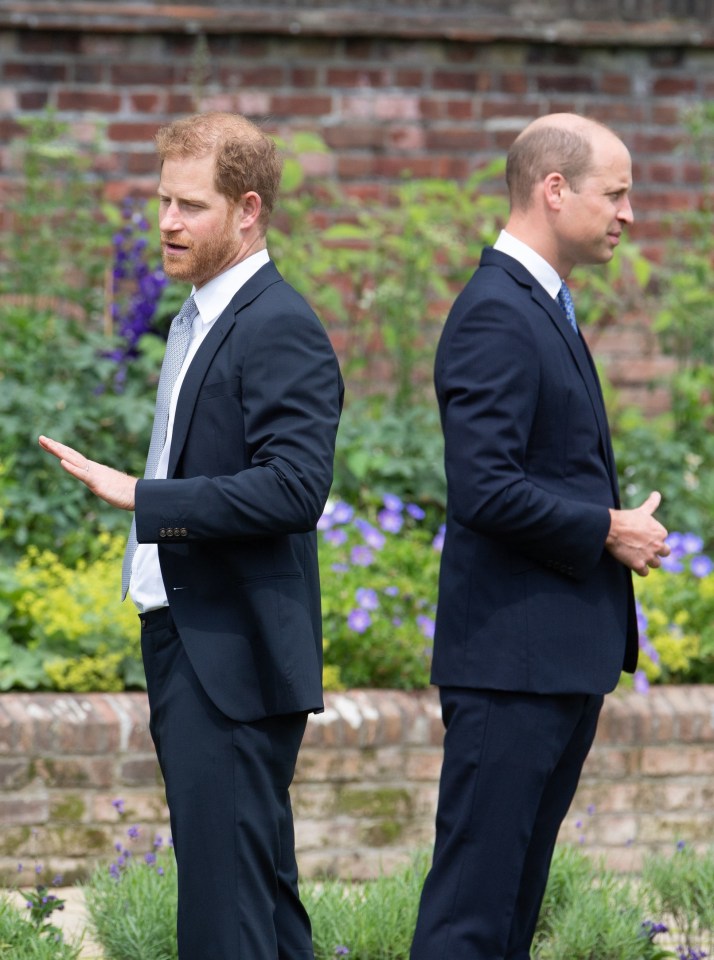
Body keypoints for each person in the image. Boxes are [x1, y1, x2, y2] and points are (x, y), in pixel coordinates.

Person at [40, 111, 343, 960]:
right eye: (163, 202)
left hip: (231, 659)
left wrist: (145, 497)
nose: (167, 223)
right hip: (192, 642)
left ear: (248, 210)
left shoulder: (277, 322)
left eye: (191, 207)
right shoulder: (201, 317)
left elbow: (294, 488)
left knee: (224, 918)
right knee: (258, 907)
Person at [409, 113, 670, 960]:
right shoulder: (495, 312)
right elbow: (484, 489)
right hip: (509, 671)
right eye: (617, 193)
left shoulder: (540, 306)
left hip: (550, 665)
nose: (629, 213)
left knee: (510, 916)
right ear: (554, 191)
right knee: (471, 918)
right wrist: (607, 529)